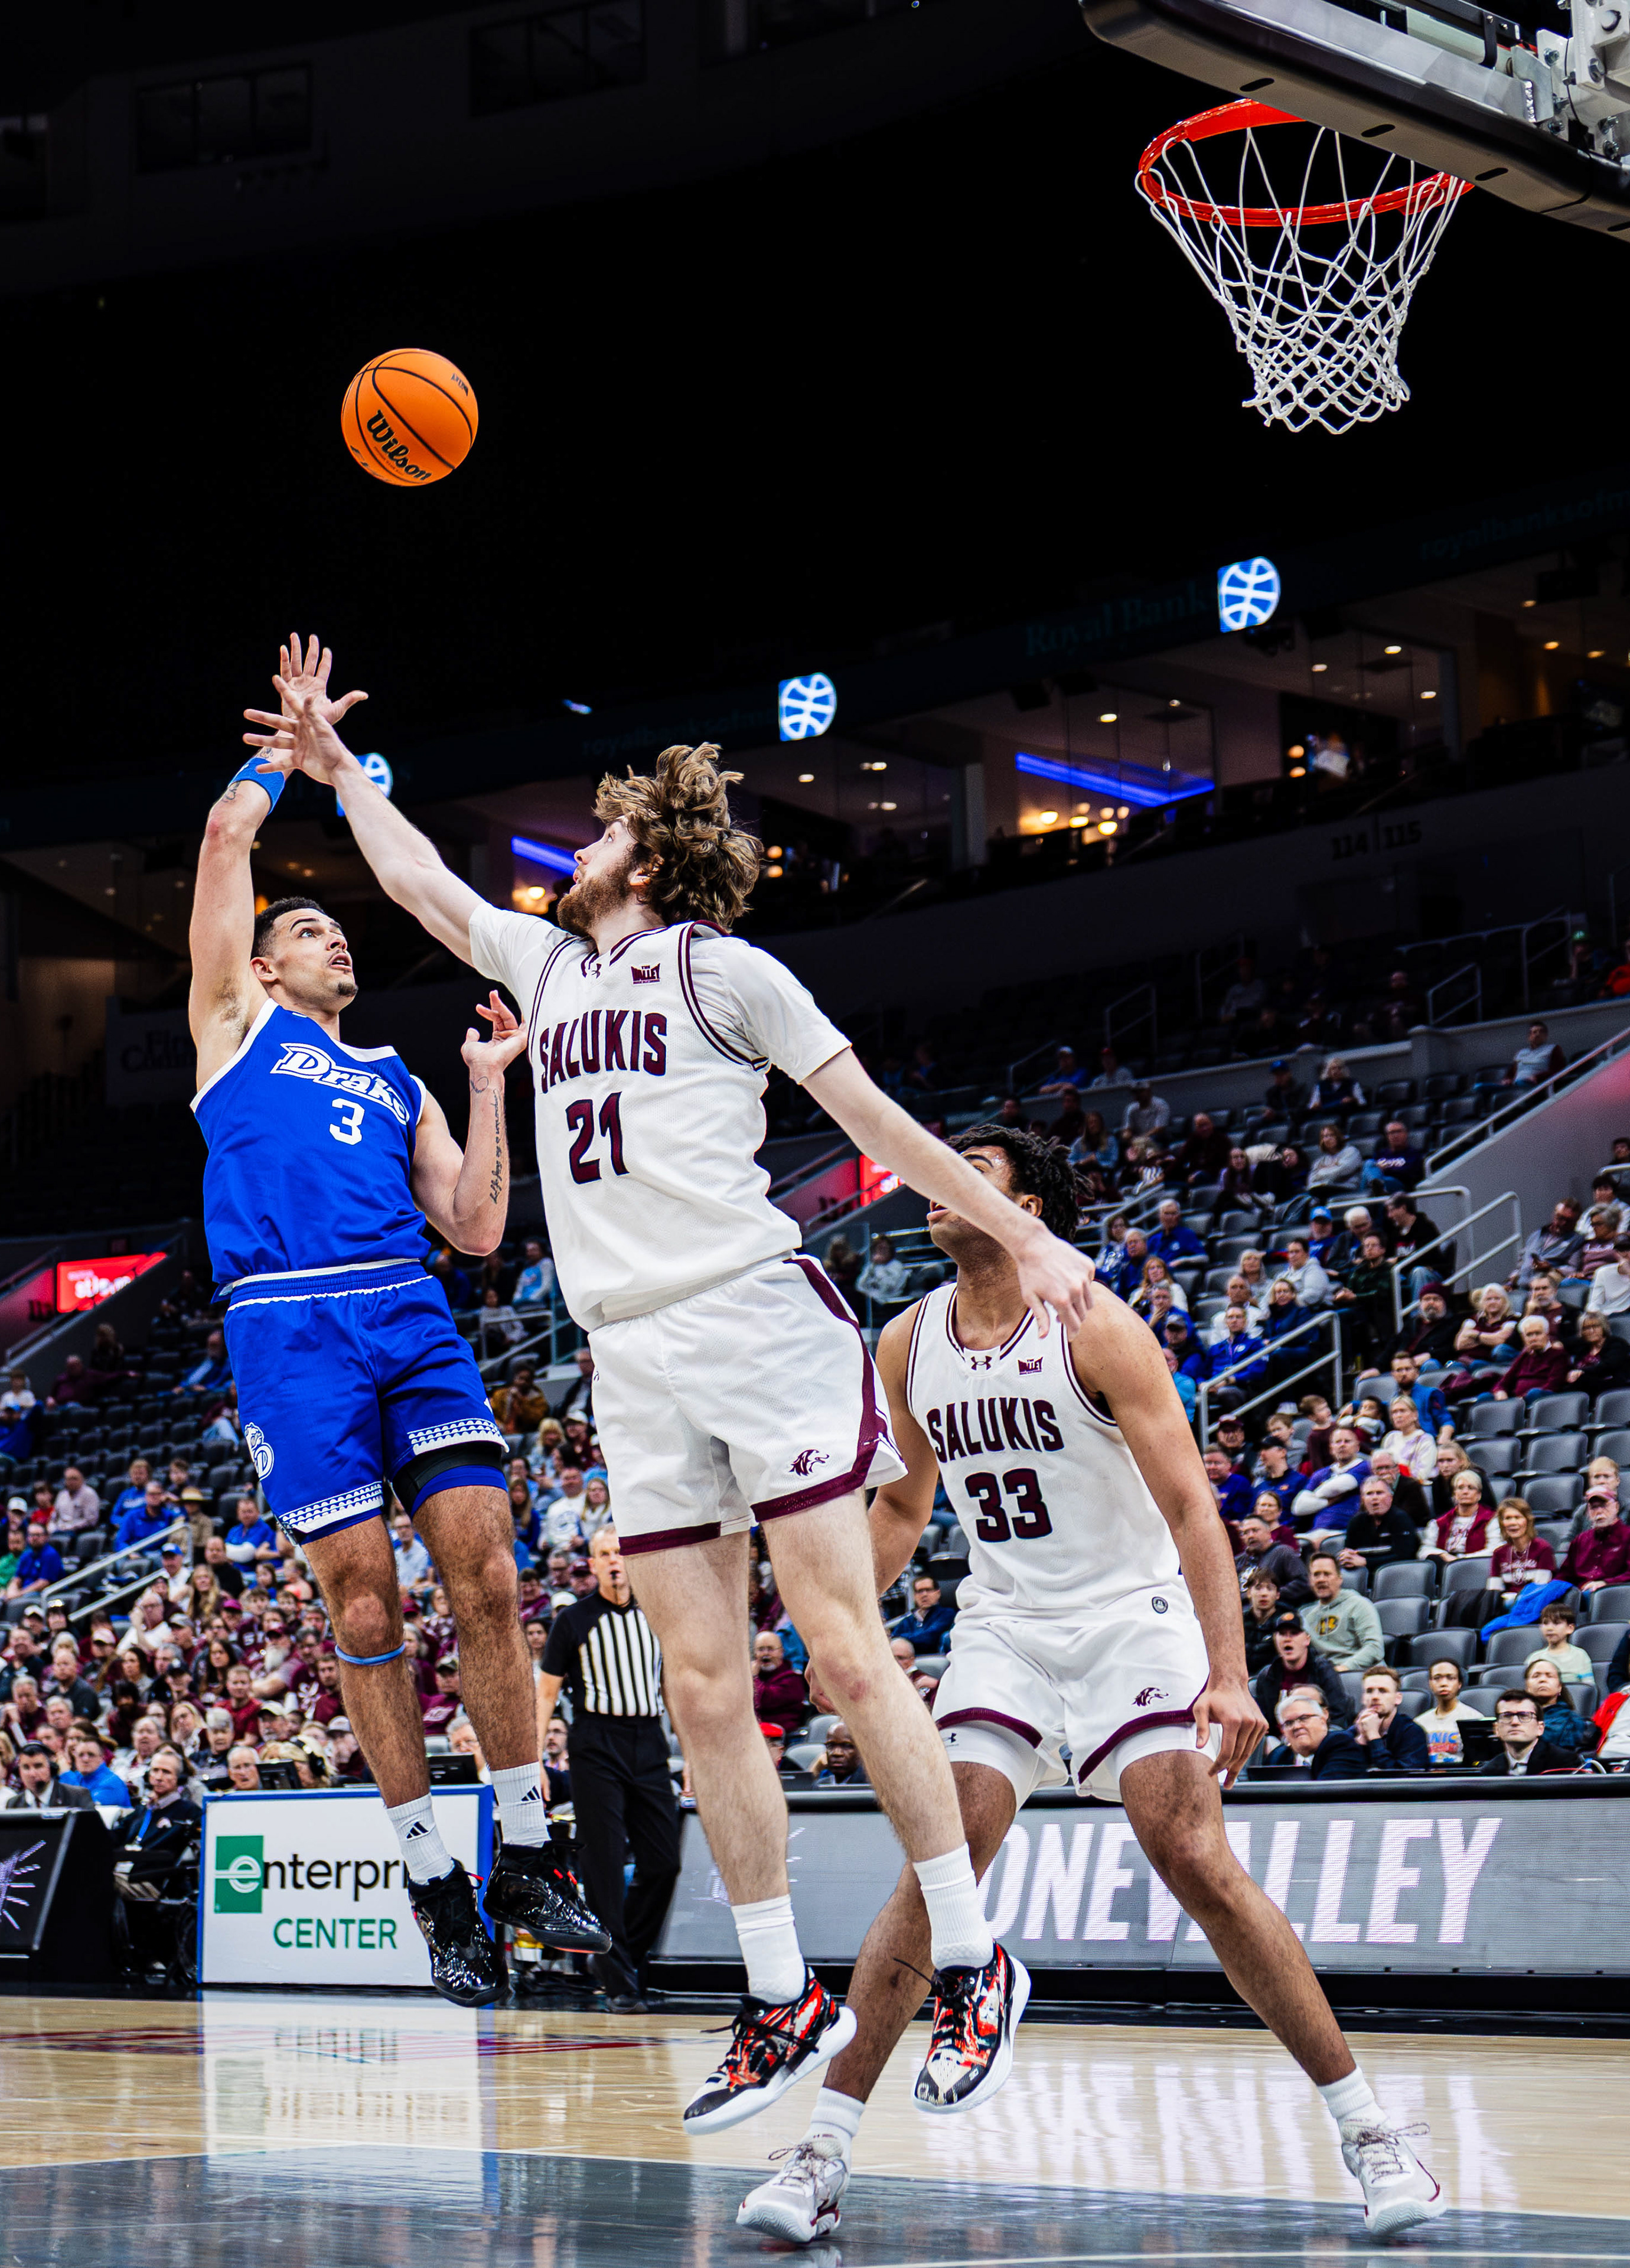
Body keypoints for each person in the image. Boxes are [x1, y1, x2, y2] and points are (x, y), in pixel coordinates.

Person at [268, 649, 1094, 2135]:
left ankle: (974, 1959)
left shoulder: (730, 972)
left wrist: (1021, 1232)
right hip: (630, 1356)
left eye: (600, 832)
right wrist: (335, 775)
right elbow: (422, 888)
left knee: (843, 1655)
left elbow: (873, 1121)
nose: (574, 851)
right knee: (701, 1689)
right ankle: (779, 1991)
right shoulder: (547, 969)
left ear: (647, 858)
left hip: (753, 1321)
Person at [736, 1123, 1440, 2247]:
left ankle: (1370, 2132)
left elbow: (1192, 1507)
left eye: (972, 1171)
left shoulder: (1096, 1325)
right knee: (940, 1864)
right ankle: (822, 2152)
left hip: (1131, 1618)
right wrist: (842, 1629)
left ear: (1025, 1207)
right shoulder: (908, 1340)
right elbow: (904, 1507)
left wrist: (1230, 1673)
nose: (935, 1184)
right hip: (1005, 1627)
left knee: (1192, 1853)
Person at [191, 663, 605, 2000]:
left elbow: (476, 1229)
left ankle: (527, 1852)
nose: (337, 942)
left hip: (408, 1310)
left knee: (487, 1580)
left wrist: (489, 1088)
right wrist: (294, 753)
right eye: (312, 929)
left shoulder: (392, 1077)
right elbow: (225, 837)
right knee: (366, 1599)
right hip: (288, 1328)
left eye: (339, 932)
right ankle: (430, 1875)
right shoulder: (232, 1027)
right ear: (265, 964)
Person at [536, 1526, 678, 2012]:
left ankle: (621, 1957)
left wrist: (693, 1754)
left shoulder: (658, 1614)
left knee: (664, 1861)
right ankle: (619, 1981)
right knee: (604, 1862)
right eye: (605, 1554)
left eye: (621, 1552)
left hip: (650, 1740)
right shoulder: (573, 1621)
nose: (615, 1560)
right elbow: (547, 1694)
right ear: (593, 1565)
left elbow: (671, 1687)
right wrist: (536, 1760)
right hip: (596, 1742)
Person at [1299, 1552, 1385, 1672]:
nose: (1321, 1579)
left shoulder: (1359, 1605)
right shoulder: (1307, 1616)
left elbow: (1374, 1648)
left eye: (1327, 1574)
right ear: (1310, 1580)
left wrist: (1345, 1668)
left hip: (1362, 1673)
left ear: (1340, 1579)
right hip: (1327, 1675)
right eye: (1316, 1575)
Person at [1260, 1690, 1372, 1779]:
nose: (1297, 1726)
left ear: (1323, 1720)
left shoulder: (1342, 1745)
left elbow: (1327, 1792)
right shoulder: (1277, 1756)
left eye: (1304, 1718)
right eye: (1289, 1723)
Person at [1474, 1689, 1579, 1775]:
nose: (1515, 1722)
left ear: (1540, 1728)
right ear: (1496, 1729)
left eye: (1524, 1716)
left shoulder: (1565, 1763)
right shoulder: (1489, 1771)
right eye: (1507, 1716)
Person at [1410, 1658, 1490, 1766]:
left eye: (1450, 1678)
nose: (1443, 1683)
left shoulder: (1473, 1718)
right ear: (1430, 1683)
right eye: (1437, 1678)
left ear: (1459, 1684)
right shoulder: (1419, 1722)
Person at [1351, 1668, 1429, 1774]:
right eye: (1369, 1691)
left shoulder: (1412, 1732)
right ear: (1363, 1698)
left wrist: (1374, 1737)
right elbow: (1343, 1774)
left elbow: (1404, 1778)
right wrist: (1361, 1741)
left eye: (1383, 1691)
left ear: (1398, 1699)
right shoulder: (1353, 1733)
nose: (1375, 1697)